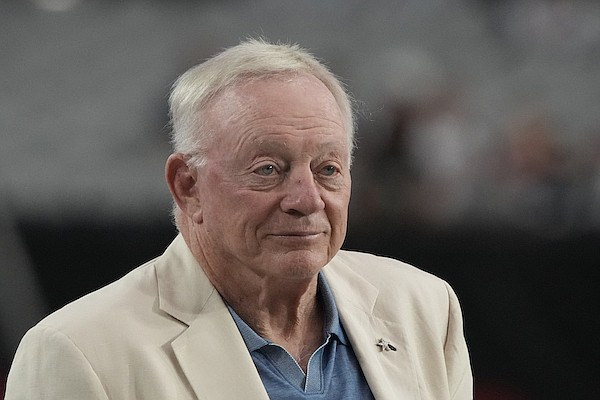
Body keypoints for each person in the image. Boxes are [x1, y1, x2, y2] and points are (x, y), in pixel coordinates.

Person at [5, 39, 472, 399]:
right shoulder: (77, 351)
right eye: (268, 169)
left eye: (327, 169)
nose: (306, 199)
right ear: (187, 185)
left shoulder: (424, 306)